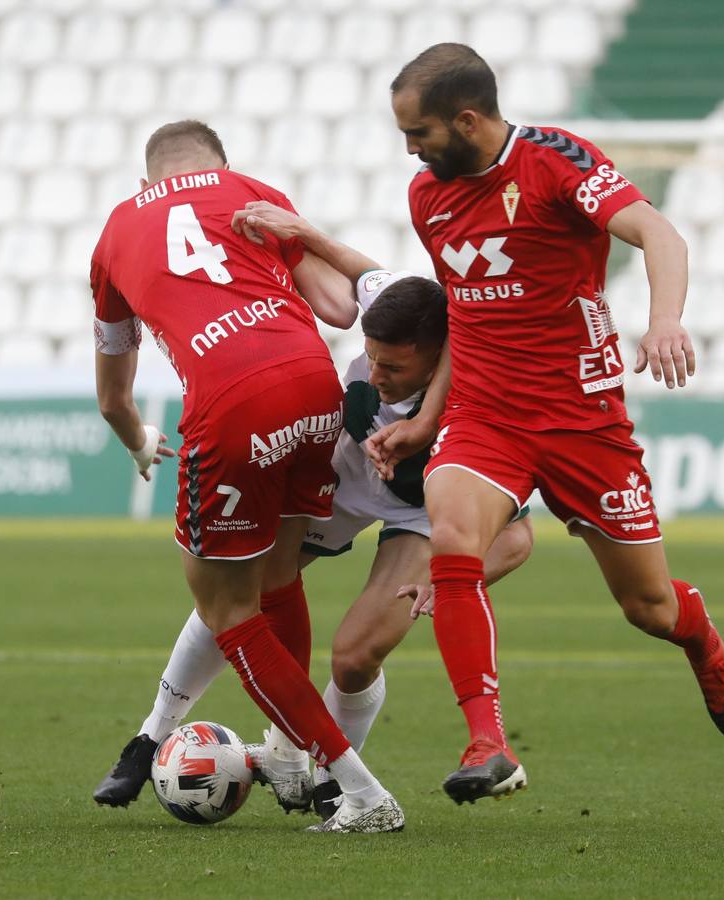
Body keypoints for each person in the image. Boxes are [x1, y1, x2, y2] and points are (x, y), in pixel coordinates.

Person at [372, 43, 724, 805]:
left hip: (582, 419)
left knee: (648, 607)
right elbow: (462, 318)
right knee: (449, 536)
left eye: (418, 133)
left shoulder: (556, 162)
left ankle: (701, 638)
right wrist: (428, 421)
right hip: (486, 415)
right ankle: (487, 742)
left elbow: (659, 234)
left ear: (468, 120)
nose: (409, 150)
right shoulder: (427, 197)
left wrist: (665, 321)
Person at [93, 244, 534, 818]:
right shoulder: (398, 300)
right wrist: (300, 230)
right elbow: (358, 274)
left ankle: (328, 782)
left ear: (436, 360)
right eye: (370, 359)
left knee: (352, 657)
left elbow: (517, 538)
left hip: (423, 518)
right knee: (235, 587)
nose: (373, 376)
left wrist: (444, 580)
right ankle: (152, 735)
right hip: (342, 471)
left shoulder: (486, 400)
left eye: (393, 368)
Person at [89, 120, 403, 833]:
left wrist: (139, 440)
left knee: (229, 610)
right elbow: (338, 307)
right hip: (312, 387)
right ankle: (293, 759)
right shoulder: (252, 193)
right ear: (220, 166)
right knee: (279, 577)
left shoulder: (116, 232)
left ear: (147, 184)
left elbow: (113, 395)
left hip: (230, 403)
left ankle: (359, 791)